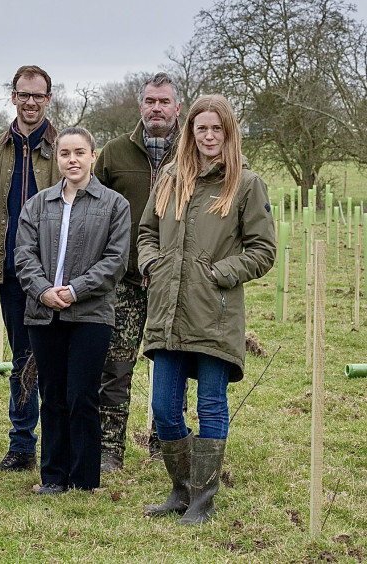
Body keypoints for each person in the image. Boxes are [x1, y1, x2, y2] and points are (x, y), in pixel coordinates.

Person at [138, 94, 275, 524]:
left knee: (211, 405)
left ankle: (203, 501)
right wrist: (151, 263)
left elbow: (263, 249)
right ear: (191, 132)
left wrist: (220, 272)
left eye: (218, 128)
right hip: (168, 309)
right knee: (163, 409)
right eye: (202, 128)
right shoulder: (171, 177)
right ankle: (181, 490)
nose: (210, 136)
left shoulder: (246, 184)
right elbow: (146, 231)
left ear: (229, 132)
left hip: (215, 311)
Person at [15, 128, 130, 493]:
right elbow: (23, 255)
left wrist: (76, 289)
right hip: (44, 312)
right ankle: (53, 477)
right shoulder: (38, 204)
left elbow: (115, 261)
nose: (72, 160)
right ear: (58, 158)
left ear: (93, 156)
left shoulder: (115, 205)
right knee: (51, 394)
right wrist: (44, 290)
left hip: (91, 314)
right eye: (65, 153)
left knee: (82, 395)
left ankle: (83, 480)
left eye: (80, 152)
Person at [0, 65, 60, 472]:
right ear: (13, 97)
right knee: (23, 360)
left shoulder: (64, 148)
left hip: (56, 275)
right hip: (9, 273)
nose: (30, 102)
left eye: (37, 95)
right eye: (23, 94)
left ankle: (60, 445)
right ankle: (22, 446)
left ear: (49, 99)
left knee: (55, 359)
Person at [93, 73, 181, 471]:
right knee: (115, 365)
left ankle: (167, 445)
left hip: (176, 282)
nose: (156, 108)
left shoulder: (194, 151)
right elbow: (93, 208)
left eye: (164, 101)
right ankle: (110, 447)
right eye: (150, 101)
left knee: (172, 362)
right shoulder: (114, 153)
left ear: (178, 108)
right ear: (140, 106)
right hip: (125, 280)